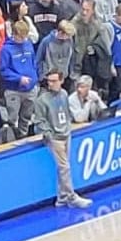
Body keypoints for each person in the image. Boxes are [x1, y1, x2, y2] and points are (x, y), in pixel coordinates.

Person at [35, 69, 91, 208]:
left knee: (63, 168)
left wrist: (68, 127)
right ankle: (71, 197)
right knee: (64, 167)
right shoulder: (42, 100)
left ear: (61, 81)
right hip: (55, 137)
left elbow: (66, 113)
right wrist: (49, 134)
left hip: (66, 134)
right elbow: (40, 121)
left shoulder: (64, 94)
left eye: (54, 81)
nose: (51, 84)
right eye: (49, 81)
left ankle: (61, 197)